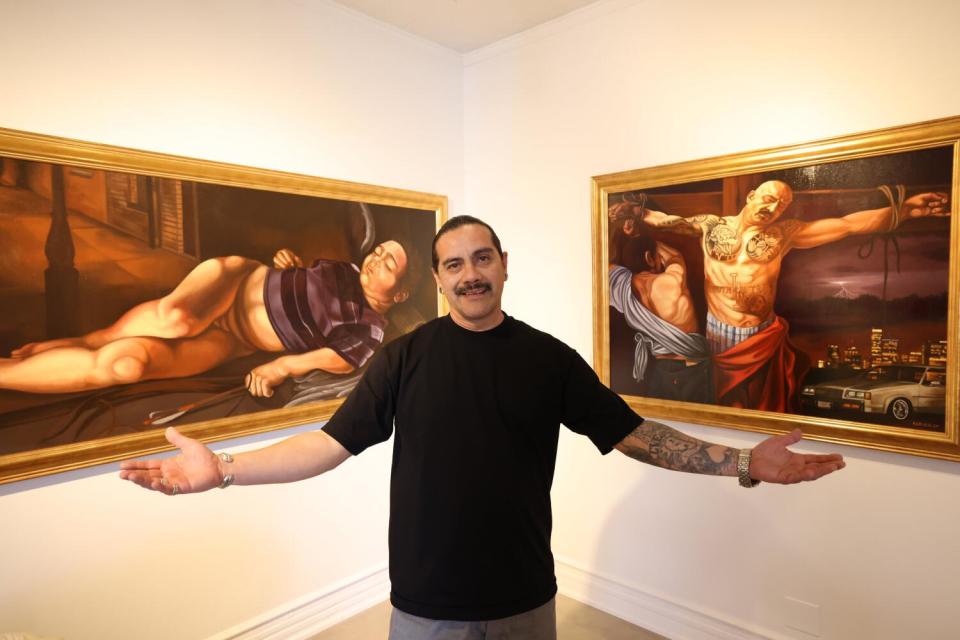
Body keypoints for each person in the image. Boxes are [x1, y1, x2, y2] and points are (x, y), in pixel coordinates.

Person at [119, 215, 846, 640]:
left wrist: (745, 463)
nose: (470, 275)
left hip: (526, 598)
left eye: (481, 259)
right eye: (453, 265)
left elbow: (637, 434)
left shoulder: (548, 360)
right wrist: (226, 470)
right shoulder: (404, 357)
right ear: (437, 280)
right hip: (426, 604)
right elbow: (328, 444)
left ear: (503, 267)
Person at [610, 181, 949, 411]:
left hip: (760, 338)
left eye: (782, 205)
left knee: (763, 410)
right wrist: (633, 213)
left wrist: (903, 211)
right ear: (751, 195)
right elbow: (667, 220)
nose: (773, 207)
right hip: (717, 336)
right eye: (769, 198)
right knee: (723, 411)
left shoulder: (785, 235)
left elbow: (848, 224)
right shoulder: (710, 225)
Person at [0, 240, 417, 397]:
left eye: (387, 263)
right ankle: (71, 343)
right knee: (176, 319)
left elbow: (339, 359)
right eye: (377, 251)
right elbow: (305, 282)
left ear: (399, 293)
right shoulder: (345, 269)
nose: (374, 259)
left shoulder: (369, 329)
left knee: (125, 363)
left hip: (236, 340)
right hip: (232, 282)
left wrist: (280, 366)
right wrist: (288, 261)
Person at [607, 215, 712, 402]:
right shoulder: (672, 280)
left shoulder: (621, 286)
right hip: (692, 370)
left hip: (660, 369)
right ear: (649, 257)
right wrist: (642, 235)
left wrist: (631, 239)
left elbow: (606, 263)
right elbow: (674, 256)